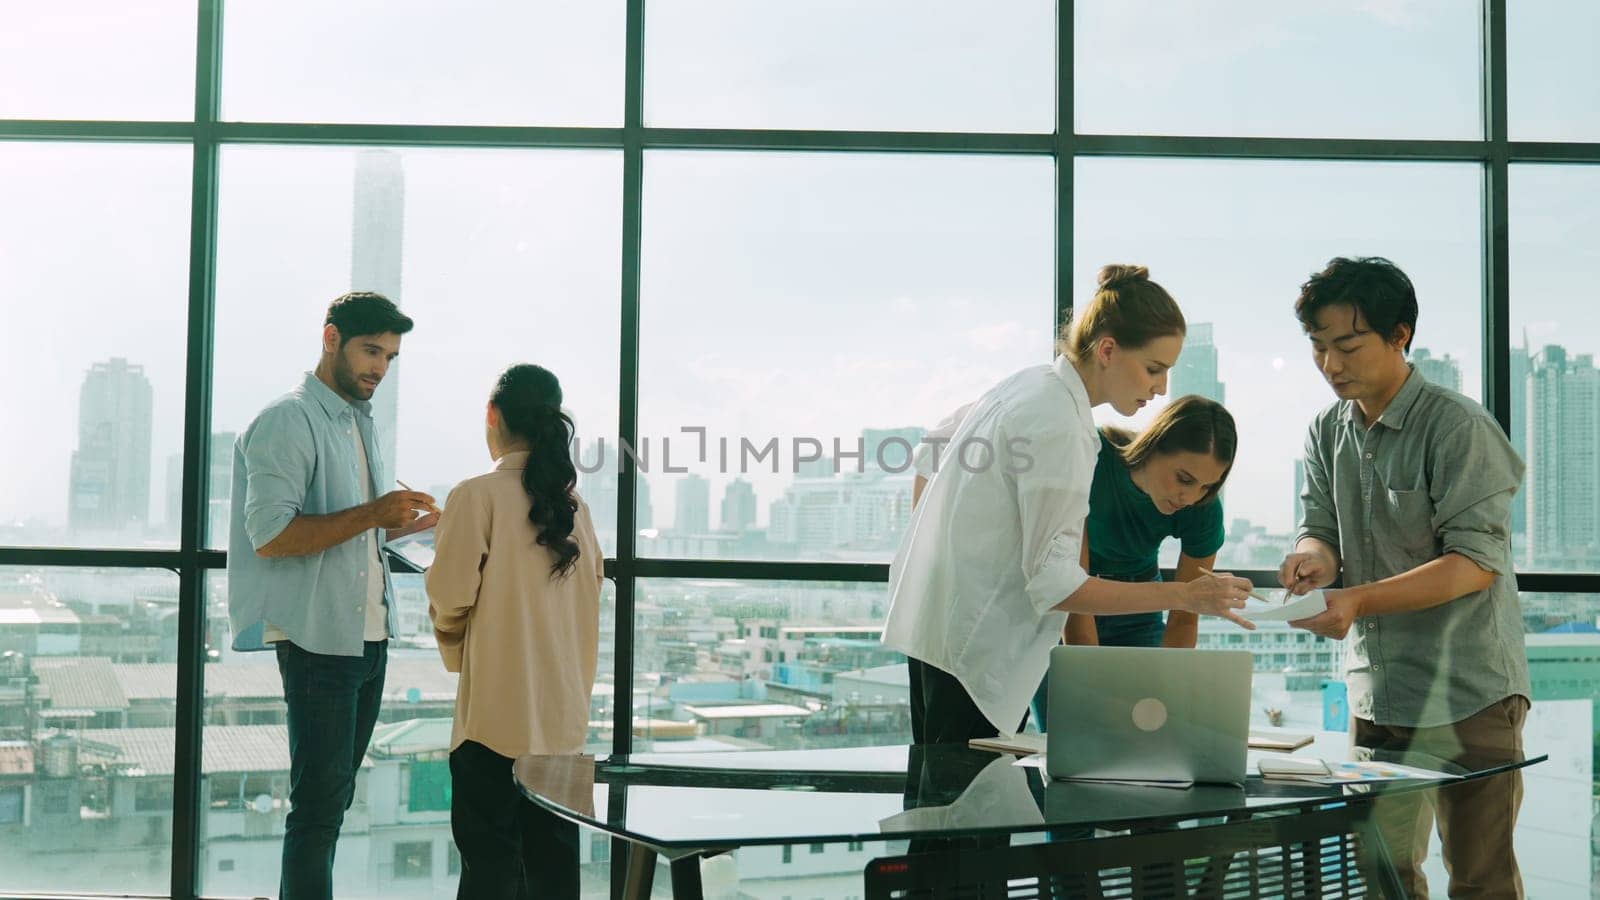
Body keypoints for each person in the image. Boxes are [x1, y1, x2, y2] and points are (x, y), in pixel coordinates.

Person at [884, 264, 1254, 746]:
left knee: (941, 802)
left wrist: (936, 554)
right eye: (1153, 368)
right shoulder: (1062, 424)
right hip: (974, 647)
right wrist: (1182, 596)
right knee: (963, 808)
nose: (1161, 388)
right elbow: (1056, 585)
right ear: (1107, 350)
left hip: (940, 629)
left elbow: (932, 446)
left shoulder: (1032, 384)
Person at [1278, 256, 1531, 899]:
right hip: (1377, 695)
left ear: (1399, 336)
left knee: (1481, 881)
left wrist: (1356, 598)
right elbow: (1322, 530)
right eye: (1317, 346)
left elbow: (1475, 564)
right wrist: (1313, 557)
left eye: (1347, 345)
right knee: (1382, 879)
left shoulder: (1457, 426)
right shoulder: (1324, 429)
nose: (1330, 364)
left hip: (1469, 693)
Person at [227, 290, 439, 900]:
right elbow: (269, 534)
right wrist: (375, 510)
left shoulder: (358, 423)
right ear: (330, 339)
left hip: (367, 635)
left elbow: (353, 528)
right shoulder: (286, 421)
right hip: (318, 638)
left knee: (335, 799)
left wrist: (408, 522)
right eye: (371, 350)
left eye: (391, 357)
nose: (380, 367)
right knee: (318, 808)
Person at [426, 364, 604, 900]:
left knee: (490, 873)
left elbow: (449, 596)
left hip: (493, 724)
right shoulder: (577, 509)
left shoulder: (476, 495)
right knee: (552, 877)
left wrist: (458, 647)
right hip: (563, 729)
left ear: (492, 416)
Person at [1028, 395, 1237, 730]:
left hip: (1138, 612)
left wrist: (1168, 695)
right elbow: (1073, 596)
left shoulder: (1203, 508)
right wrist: (1088, 693)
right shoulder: (1089, 459)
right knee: (1069, 733)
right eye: (1184, 478)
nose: (1191, 497)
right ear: (1154, 444)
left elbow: (1184, 615)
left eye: (1207, 486)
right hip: (1065, 605)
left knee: (1146, 732)